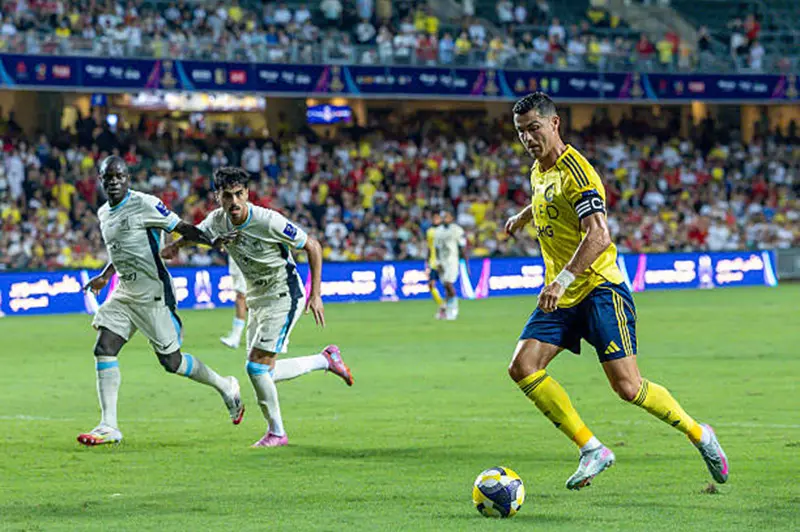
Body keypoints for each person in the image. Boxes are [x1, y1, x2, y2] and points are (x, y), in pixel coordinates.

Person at [504, 92, 728, 490]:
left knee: (628, 387)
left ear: (554, 124)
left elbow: (598, 234)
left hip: (598, 287)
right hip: (562, 294)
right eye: (521, 132)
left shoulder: (579, 172)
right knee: (522, 367)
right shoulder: (538, 170)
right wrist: (523, 216)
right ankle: (592, 449)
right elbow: (548, 201)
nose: (528, 138)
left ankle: (700, 434)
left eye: (534, 129)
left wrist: (562, 279)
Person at [162, 167, 354, 448]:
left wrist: (316, 294)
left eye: (239, 194)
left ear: (247, 194)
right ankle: (325, 359)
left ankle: (277, 432)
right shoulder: (218, 220)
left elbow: (312, 245)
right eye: (227, 196)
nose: (234, 202)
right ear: (218, 197)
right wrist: (177, 246)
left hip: (283, 293)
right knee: (267, 371)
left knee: (255, 368)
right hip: (257, 297)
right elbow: (199, 234)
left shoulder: (268, 220)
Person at [79, 156, 244, 446]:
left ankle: (225, 385)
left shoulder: (145, 203)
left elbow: (181, 227)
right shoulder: (104, 212)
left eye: (120, 176)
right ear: (102, 180)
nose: (115, 182)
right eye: (109, 178)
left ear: (128, 178)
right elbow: (121, 250)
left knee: (172, 362)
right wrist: (106, 276)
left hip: (153, 292)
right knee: (104, 347)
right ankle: (109, 425)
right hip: (124, 292)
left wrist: (211, 241)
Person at [433, 209, 468, 320]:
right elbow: (437, 248)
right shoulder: (438, 231)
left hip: (452, 260)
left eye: (447, 216)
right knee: (446, 287)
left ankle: (453, 310)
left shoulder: (457, 230)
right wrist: (437, 262)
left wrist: (466, 264)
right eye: (443, 217)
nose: (445, 219)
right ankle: (444, 309)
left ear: (451, 218)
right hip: (442, 262)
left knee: (448, 284)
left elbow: (462, 247)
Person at [220, 254, 247, 349]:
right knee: (245, 299)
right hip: (237, 258)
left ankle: (236, 337)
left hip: (242, 258)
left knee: (241, 297)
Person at [425, 212, 446, 319]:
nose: (436, 220)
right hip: (434, 262)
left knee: (446, 285)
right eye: (434, 218)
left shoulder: (444, 231)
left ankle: (445, 306)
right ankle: (443, 305)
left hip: (443, 261)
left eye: (438, 218)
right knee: (431, 285)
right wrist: (427, 261)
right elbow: (429, 247)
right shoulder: (430, 232)